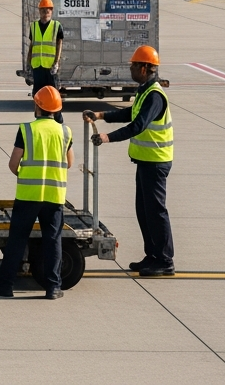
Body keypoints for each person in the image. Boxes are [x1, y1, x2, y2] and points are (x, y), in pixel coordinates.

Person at [86, 46, 175, 277]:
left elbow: (138, 125)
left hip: (156, 162)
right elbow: (130, 114)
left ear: (144, 68)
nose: (131, 69)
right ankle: (152, 255)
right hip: (146, 160)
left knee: (155, 211)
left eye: (134, 65)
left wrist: (107, 138)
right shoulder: (144, 91)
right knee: (144, 211)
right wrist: (101, 115)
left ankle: (164, 260)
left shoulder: (155, 96)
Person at [0, 86, 74, 299]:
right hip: (54, 196)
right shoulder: (65, 131)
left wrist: (24, 174)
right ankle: (53, 288)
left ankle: (5, 286)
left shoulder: (27, 129)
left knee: (17, 241)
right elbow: (69, 162)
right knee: (53, 241)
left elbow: (13, 163)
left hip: (28, 195)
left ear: (38, 106)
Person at [28, 0, 65, 125]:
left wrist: (56, 62)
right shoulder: (34, 26)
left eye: (48, 10)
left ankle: (58, 119)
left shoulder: (56, 26)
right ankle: (39, 116)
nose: (45, 13)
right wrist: (28, 62)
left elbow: (59, 44)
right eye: (43, 10)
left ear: (51, 11)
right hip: (37, 65)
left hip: (50, 67)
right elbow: (32, 45)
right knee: (37, 93)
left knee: (53, 94)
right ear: (39, 11)